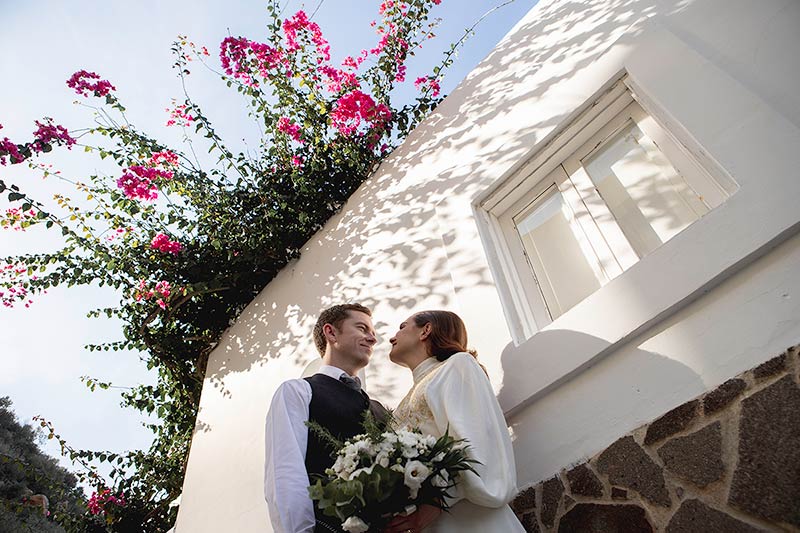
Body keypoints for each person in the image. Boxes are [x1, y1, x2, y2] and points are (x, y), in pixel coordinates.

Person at [384, 310, 525, 533]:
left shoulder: (457, 365)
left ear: (426, 330)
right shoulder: (404, 400)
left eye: (402, 326)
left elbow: (478, 445)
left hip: (471, 519)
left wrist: (438, 502)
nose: (392, 337)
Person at [264, 303, 388, 533]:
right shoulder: (298, 391)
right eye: (362, 329)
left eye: (373, 333)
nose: (373, 339)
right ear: (331, 333)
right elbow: (286, 472)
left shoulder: (380, 410)